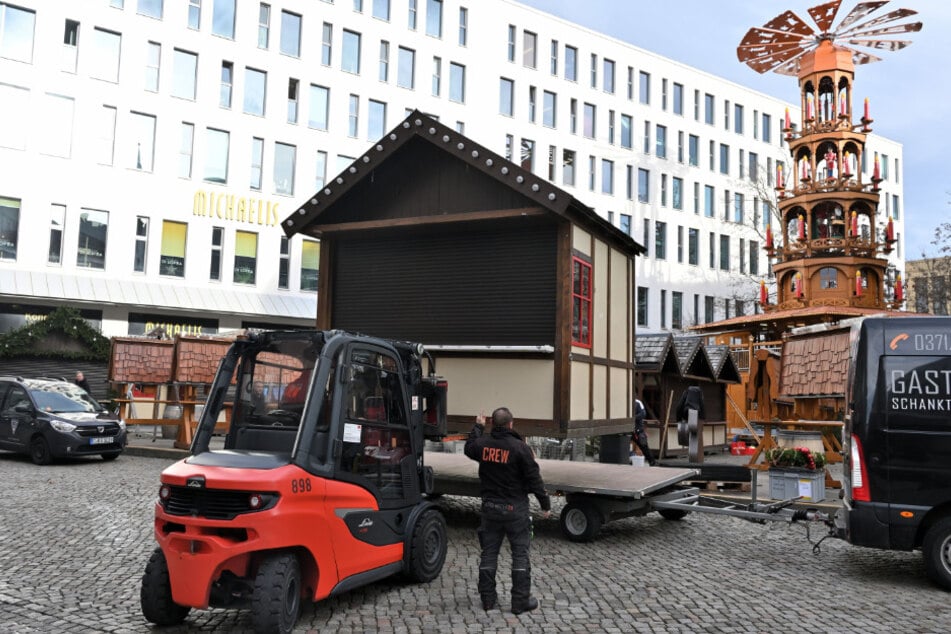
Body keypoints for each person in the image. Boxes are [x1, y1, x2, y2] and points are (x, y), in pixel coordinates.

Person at [464, 407, 551, 615]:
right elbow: (534, 478)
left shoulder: (483, 446)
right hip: (515, 509)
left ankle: (487, 600)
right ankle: (519, 602)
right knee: (520, 554)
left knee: (489, 554)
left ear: (492, 424)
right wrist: (545, 504)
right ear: (511, 424)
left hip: (490, 508)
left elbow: (469, 447)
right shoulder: (520, 448)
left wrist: (478, 426)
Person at [632, 398, 656, 466]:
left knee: (644, 446)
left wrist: (633, 417)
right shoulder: (625, 401)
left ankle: (652, 461)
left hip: (638, 429)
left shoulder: (637, 402)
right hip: (627, 429)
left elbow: (643, 413)